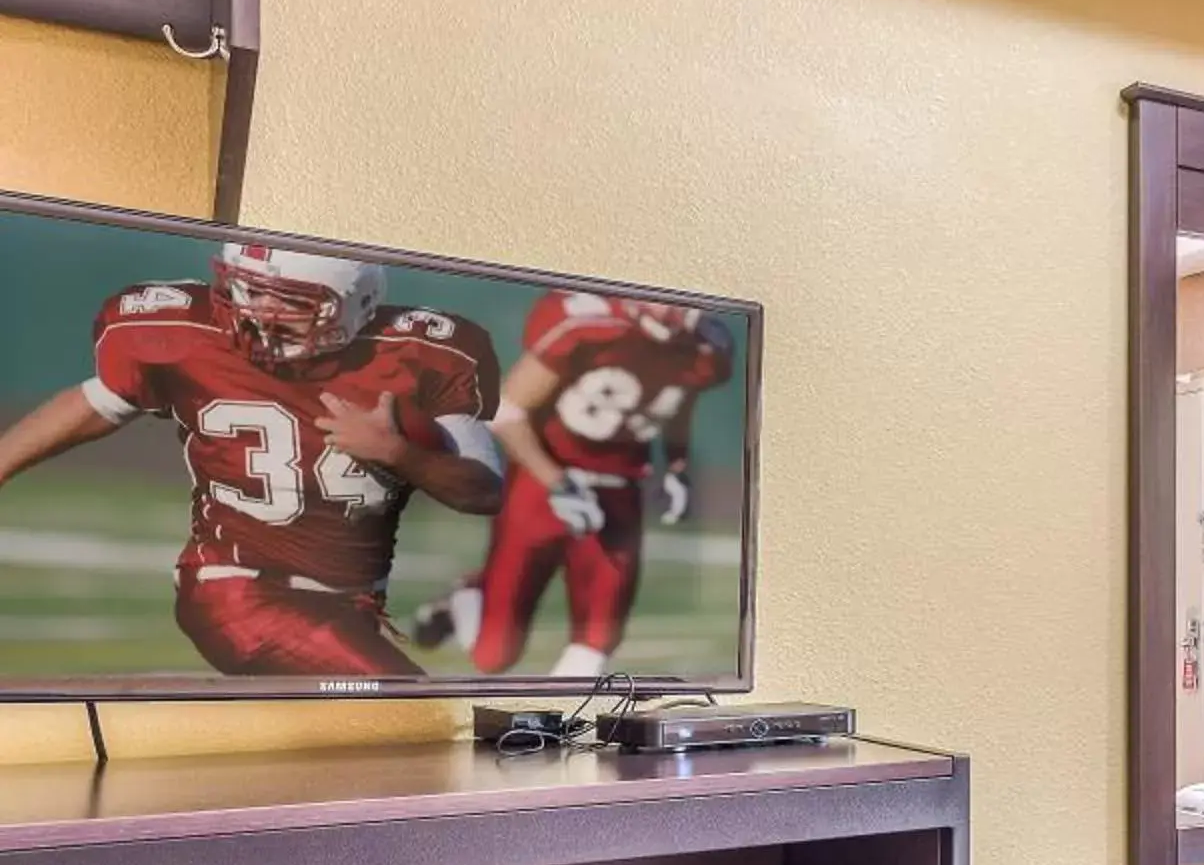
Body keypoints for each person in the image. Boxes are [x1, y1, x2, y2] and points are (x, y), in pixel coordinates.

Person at [0, 242, 504, 678]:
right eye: (249, 289)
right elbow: (99, 403)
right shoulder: (187, 335)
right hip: (237, 594)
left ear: (356, 304)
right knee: (409, 709)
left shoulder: (420, 356)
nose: (259, 312)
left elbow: (483, 490)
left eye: (288, 299)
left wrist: (396, 452)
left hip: (351, 605)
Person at [413, 290, 734, 679]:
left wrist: (677, 467)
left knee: (596, 647)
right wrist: (558, 483)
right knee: (493, 658)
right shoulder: (587, 326)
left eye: (684, 301)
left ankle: (563, 726)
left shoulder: (706, 349)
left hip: (620, 491)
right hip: (541, 484)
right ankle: (467, 596)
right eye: (662, 298)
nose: (670, 310)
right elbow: (507, 411)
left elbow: (677, 402)